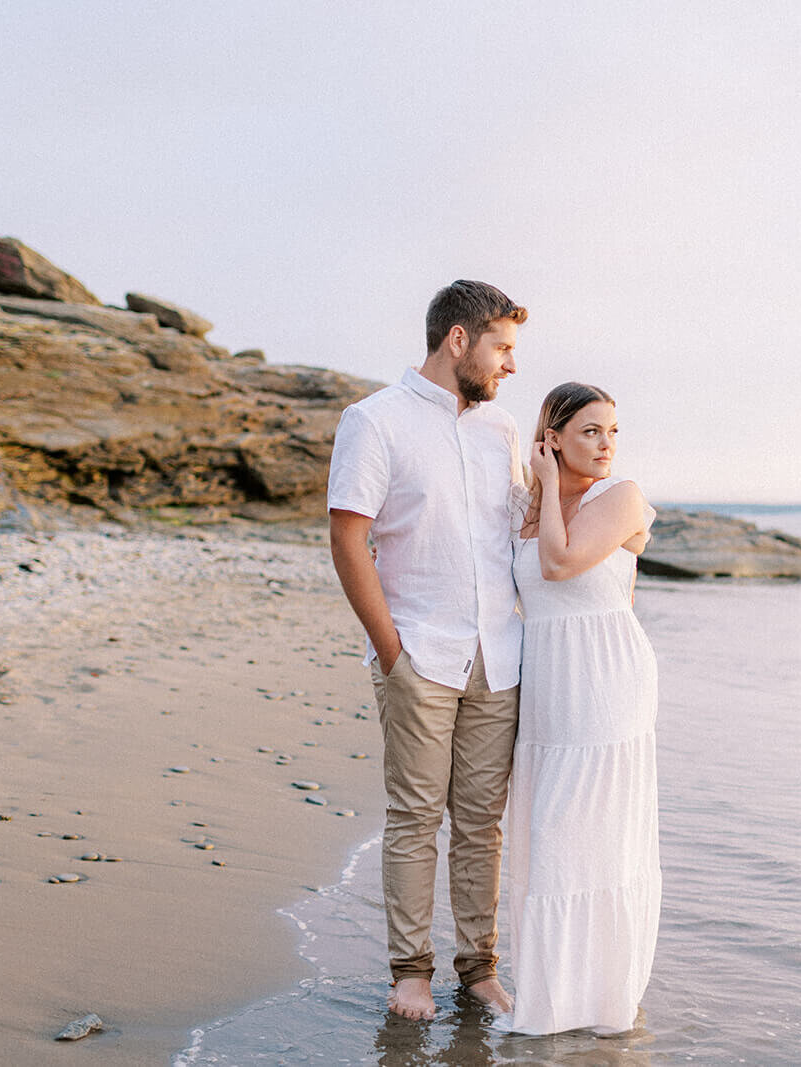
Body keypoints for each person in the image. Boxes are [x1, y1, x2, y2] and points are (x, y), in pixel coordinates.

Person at [326, 280, 527, 1021]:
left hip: (498, 656)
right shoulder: (374, 421)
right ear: (458, 340)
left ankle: (479, 970)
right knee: (416, 816)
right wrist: (391, 653)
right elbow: (349, 538)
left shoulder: (500, 428)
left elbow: (515, 530)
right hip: (419, 652)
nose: (510, 365)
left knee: (482, 824)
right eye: (502, 348)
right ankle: (410, 972)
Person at [503, 382, 661, 1035]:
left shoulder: (619, 497)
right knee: (548, 837)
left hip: (605, 680)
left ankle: (599, 1003)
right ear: (555, 433)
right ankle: (550, 999)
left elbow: (564, 563)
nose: (606, 444)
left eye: (613, 431)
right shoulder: (527, 505)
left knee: (584, 837)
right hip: (547, 683)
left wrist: (541, 477)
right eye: (591, 430)